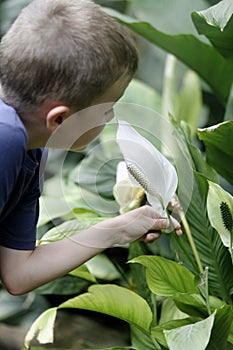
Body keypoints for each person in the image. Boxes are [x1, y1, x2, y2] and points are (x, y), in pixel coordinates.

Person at [0, 0, 182, 295]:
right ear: (59, 118)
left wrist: (119, 229)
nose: (110, 119)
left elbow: (18, 272)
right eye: (107, 110)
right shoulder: (5, 139)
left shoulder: (30, 150)